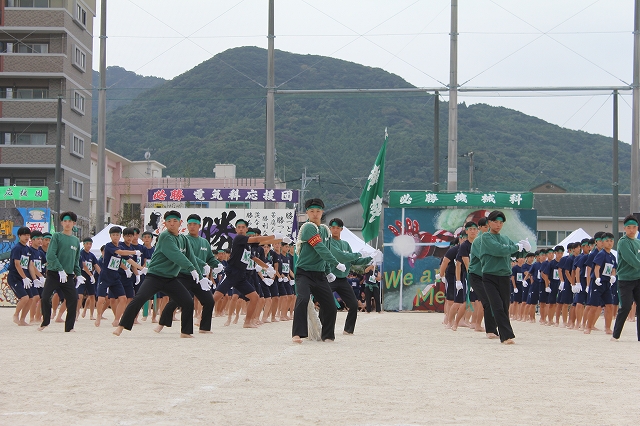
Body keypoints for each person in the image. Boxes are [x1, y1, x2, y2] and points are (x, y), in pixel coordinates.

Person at [114, 210, 203, 338]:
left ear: (180, 223)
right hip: (155, 276)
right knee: (139, 299)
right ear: (165, 223)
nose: (172, 223)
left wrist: (200, 275)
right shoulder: (165, 236)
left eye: (175, 221)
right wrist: (190, 268)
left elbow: (192, 257)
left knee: (188, 301)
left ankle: (185, 332)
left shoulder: (184, 239)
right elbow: (175, 254)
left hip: (171, 279)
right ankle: (121, 326)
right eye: (169, 221)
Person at [155, 213, 222, 334]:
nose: (192, 226)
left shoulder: (204, 242)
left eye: (195, 224)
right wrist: (203, 264)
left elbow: (210, 258)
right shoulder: (183, 240)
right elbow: (188, 257)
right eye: (190, 224)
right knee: (175, 301)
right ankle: (161, 324)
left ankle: (204, 328)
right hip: (183, 275)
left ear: (199, 226)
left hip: (199, 278)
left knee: (209, 301)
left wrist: (217, 264)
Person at [292, 198, 346, 343]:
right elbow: (320, 248)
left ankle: (327, 336)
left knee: (330, 305)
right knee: (303, 299)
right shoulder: (308, 227)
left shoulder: (325, 230)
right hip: (304, 273)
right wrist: (336, 263)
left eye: (318, 211)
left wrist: (328, 271)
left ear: (322, 212)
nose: (315, 214)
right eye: (312, 211)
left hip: (320, 274)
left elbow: (327, 249)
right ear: (307, 213)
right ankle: (297, 334)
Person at [212, 220, 276, 328]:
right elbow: (257, 239)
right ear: (236, 229)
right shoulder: (238, 239)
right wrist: (274, 236)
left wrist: (267, 267)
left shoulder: (247, 246)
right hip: (231, 273)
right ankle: (202, 317)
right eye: (239, 227)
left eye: (243, 227)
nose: (241, 229)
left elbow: (256, 256)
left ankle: (247, 322)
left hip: (241, 276)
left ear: (246, 228)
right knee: (217, 296)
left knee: (255, 297)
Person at [478, 210, 529, 344]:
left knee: (505, 306)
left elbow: (516, 254)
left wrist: (525, 250)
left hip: (504, 276)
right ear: (489, 223)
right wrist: (516, 247)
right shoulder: (486, 237)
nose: (498, 225)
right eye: (495, 222)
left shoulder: (505, 238)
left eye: (501, 223)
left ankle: (504, 333)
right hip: (490, 277)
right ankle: (506, 336)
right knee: (497, 305)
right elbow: (499, 250)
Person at [38, 212, 82, 332]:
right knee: (45, 297)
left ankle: (69, 327)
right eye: (65, 221)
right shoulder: (57, 236)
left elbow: (76, 260)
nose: (67, 223)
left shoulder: (76, 241)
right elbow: (50, 255)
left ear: (74, 223)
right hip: (54, 274)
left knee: (73, 299)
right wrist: (60, 269)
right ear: (61, 223)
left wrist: (78, 274)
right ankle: (45, 321)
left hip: (68, 276)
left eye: (70, 221)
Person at [327, 217, 372, 334]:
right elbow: (341, 256)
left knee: (353, 304)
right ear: (330, 229)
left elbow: (353, 261)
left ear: (341, 229)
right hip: (330, 278)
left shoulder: (345, 244)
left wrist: (370, 258)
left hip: (343, 280)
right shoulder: (329, 243)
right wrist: (358, 254)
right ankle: (323, 329)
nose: (335, 230)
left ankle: (348, 330)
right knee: (327, 304)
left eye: (337, 228)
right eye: (333, 228)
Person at [612, 215, 640, 341]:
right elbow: (631, 260)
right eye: (629, 227)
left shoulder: (638, 242)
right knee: (626, 306)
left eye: (634, 227)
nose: (632, 230)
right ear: (624, 228)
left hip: (638, 278)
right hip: (626, 280)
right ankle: (616, 335)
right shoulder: (623, 242)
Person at [585, 232, 617, 334]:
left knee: (609, 305)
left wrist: (613, 276)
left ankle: (607, 328)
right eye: (607, 241)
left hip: (607, 283)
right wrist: (597, 278)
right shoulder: (601, 254)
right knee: (594, 306)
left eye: (611, 241)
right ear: (602, 243)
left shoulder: (612, 256)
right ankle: (588, 327)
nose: (609, 243)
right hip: (598, 283)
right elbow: (597, 267)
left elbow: (613, 268)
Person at [7, 227, 36, 326]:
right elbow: (17, 264)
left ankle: (22, 319)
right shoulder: (17, 248)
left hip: (25, 278)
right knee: (24, 298)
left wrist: (35, 279)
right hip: (15, 277)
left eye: (28, 235)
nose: (26, 237)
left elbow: (30, 265)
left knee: (31, 299)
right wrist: (24, 278)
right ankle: (16, 315)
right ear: (19, 236)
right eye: (24, 235)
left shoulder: (29, 249)